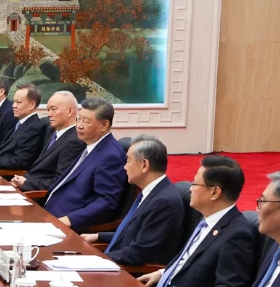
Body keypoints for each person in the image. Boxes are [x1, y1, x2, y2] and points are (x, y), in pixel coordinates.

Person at [138, 155, 255, 287]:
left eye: (195, 183)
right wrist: (163, 273)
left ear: (215, 192)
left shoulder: (237, 235)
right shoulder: (205, 219)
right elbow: (189, 260)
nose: (190, 188)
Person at [81, 136, 185, 267]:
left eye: (128, 161)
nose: (124, 167)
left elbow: (139, 253)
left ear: (144, 165)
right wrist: (98, 236)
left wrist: (93, 258)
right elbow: (131, 233)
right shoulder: (151, 191)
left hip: (129, 275)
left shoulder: (164, 202)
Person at [41, 97, 126, 231]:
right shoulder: (89, 146)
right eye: (79, 119)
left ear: (104, 125)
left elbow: (106, 201)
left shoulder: (110, 155)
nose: (79, 125)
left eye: (86, 121)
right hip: (50, 215)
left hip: (68, 225)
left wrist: (70, 220)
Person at [12, 91, 84, 192]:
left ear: (70, 111)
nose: (49, 114)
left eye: (53, 109)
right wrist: (18, 180)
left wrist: (26, 183)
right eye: (48, 110)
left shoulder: (74, 141)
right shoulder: (53, 133)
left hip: (38, 196)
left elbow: (61, 181)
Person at [0, 85, 45, 171]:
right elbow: (4, 151)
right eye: (13, 102)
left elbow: (20, 161)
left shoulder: (34, 128)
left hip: (6, 174)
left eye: (18, 102)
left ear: (32, 104)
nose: (13, 105)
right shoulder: (20, 123)